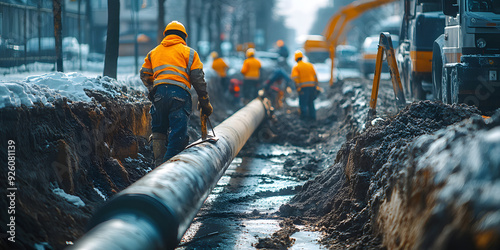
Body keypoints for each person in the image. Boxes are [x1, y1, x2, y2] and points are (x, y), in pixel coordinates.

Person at [140, 21, 213, 166]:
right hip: (179, 95)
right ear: (184, 37)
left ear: (165, 35)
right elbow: (198, 78)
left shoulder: (154, 52)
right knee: (178, 134)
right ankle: (168, 168)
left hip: (159, 94)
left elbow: (144, 74)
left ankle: (158, 165)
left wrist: (152, 88)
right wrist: (204, 101)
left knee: (158, 131)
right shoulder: (190, 53)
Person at [291, 50, 318, 121]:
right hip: (312, 87)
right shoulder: (310, 65)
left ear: (295, 59)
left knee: (303, 103)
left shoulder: (296, 67)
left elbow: (295, 79)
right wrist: (316, 87)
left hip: (303, 88)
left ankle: (304, 118)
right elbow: (315, 77)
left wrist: (298, 88)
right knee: (311, 102)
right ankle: (312, 117)